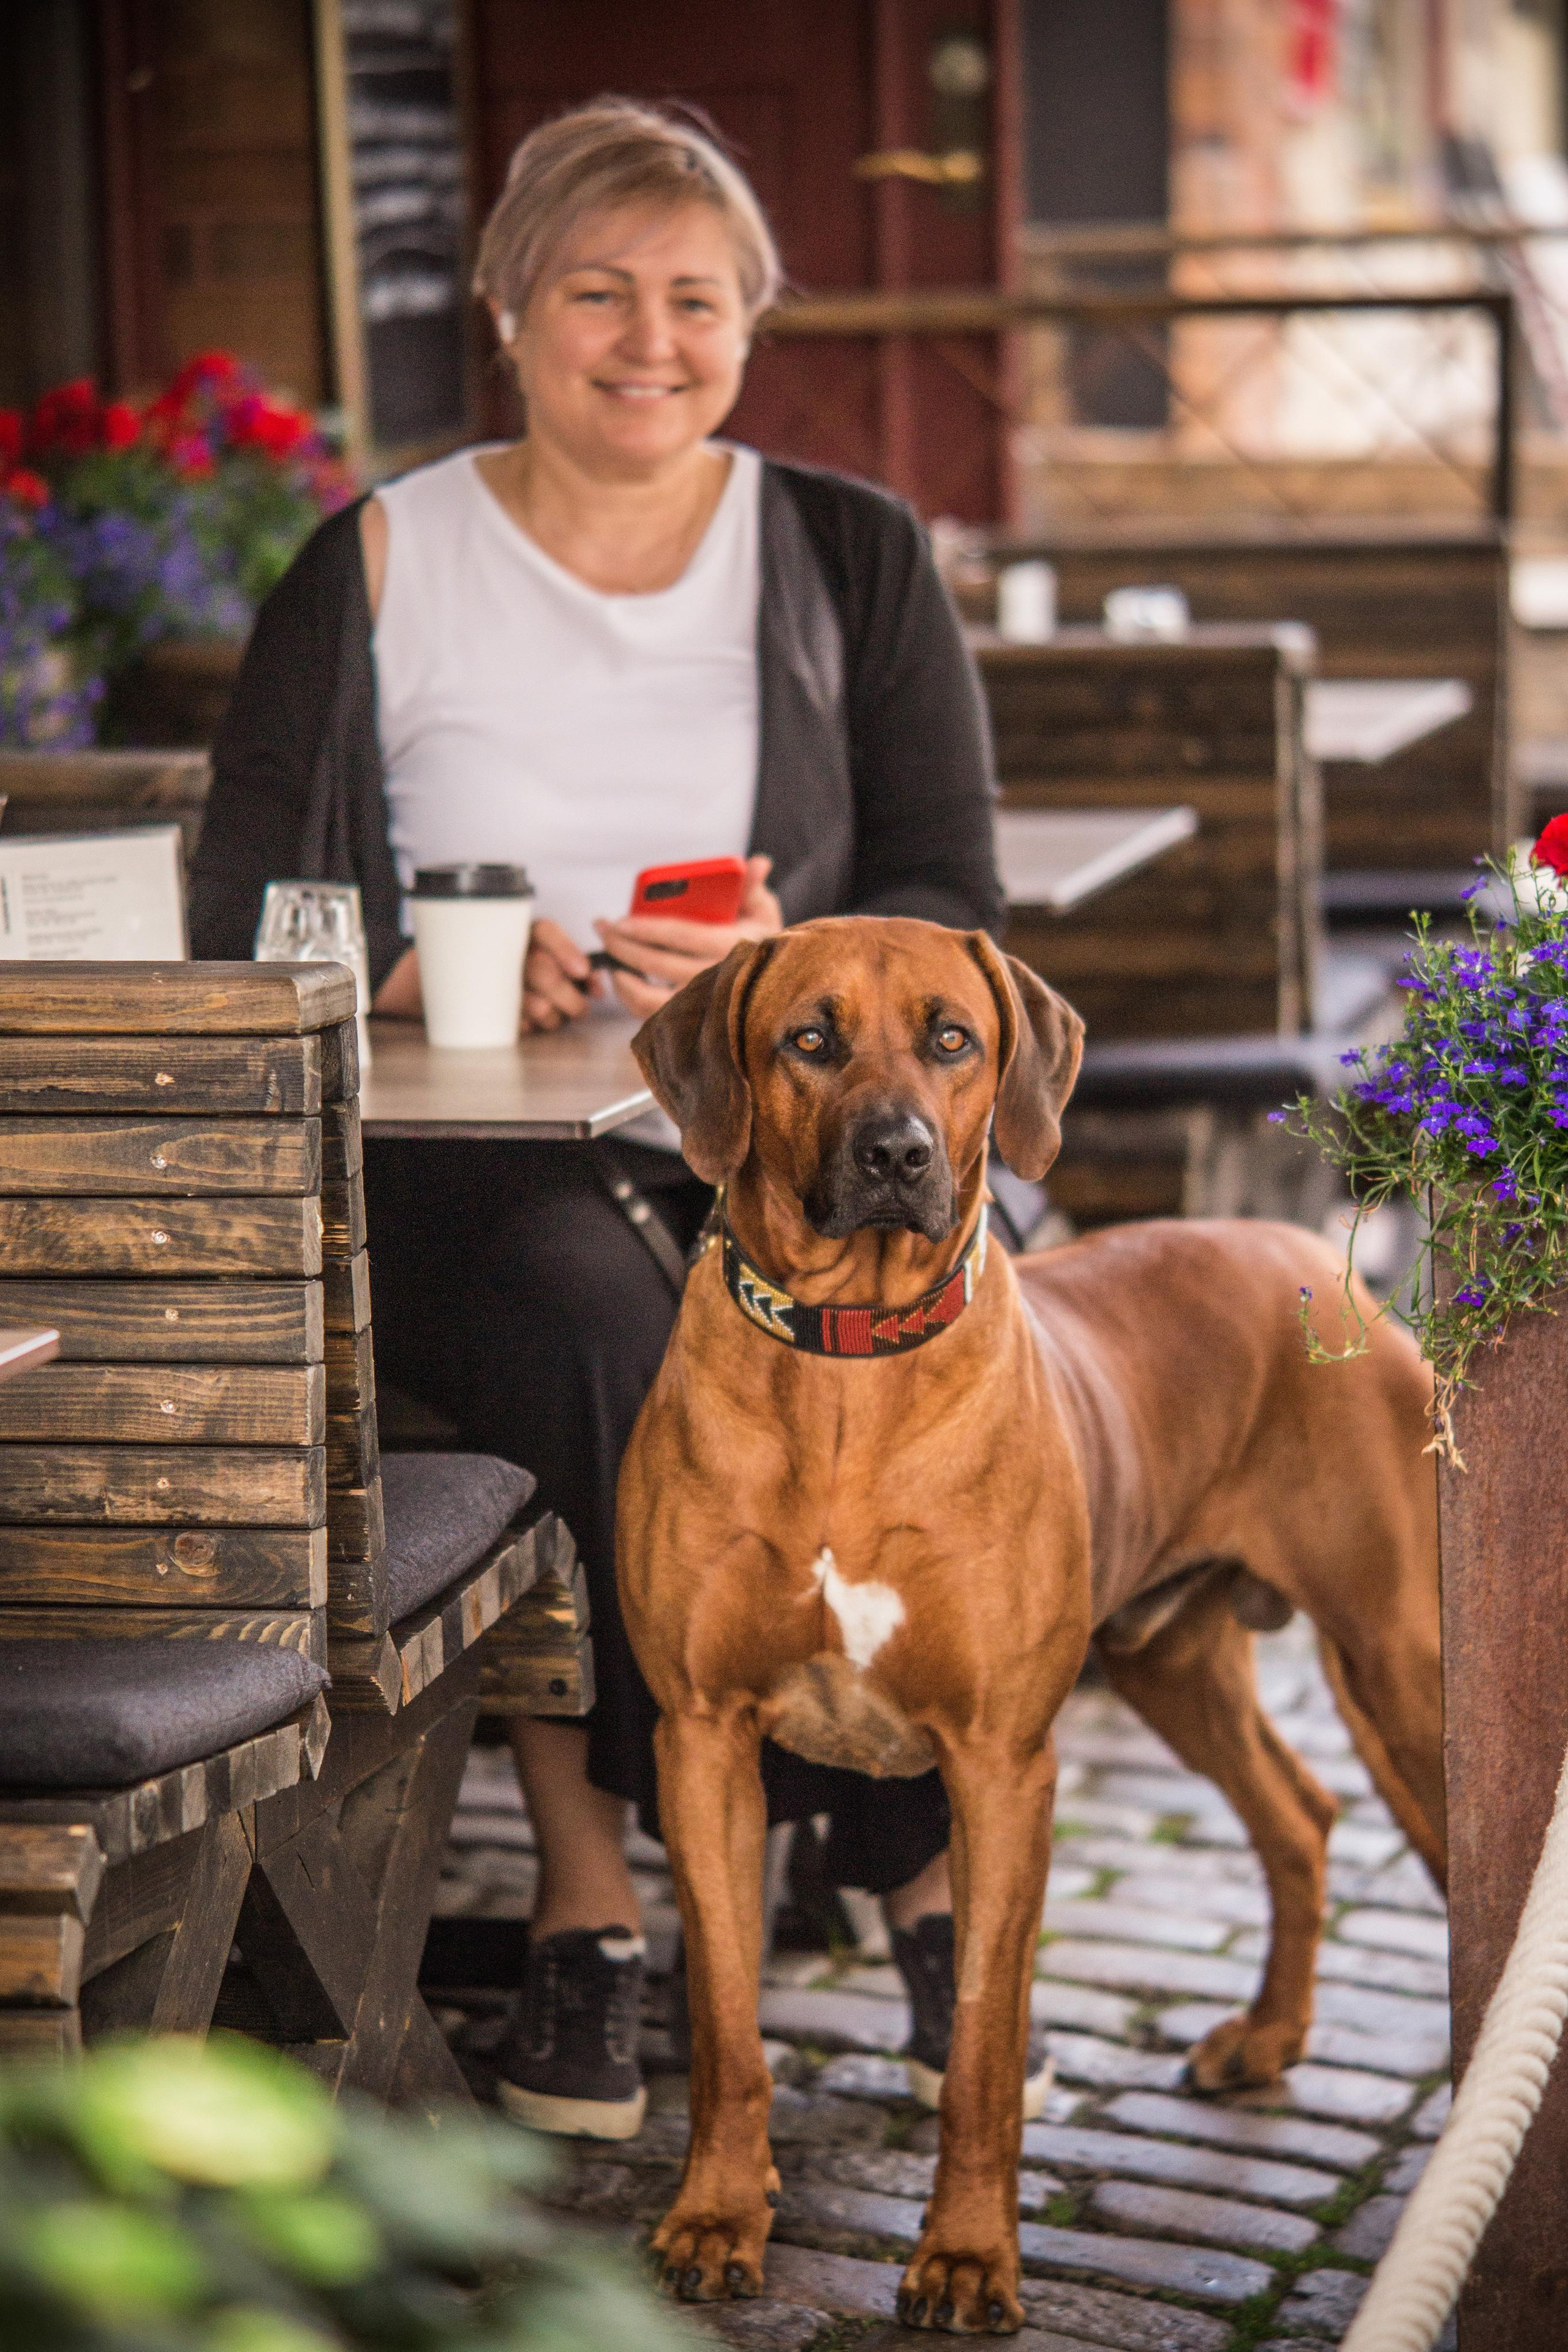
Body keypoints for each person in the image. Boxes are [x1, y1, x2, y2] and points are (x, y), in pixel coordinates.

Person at [190, 97, 1020, 2142]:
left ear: (751, 324)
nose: (649, 339)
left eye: (698, 299)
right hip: (476, 1162)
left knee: (924, 1335)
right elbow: (236, 903)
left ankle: (866, 1838)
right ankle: (615, 1898)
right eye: (597, 291)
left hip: (793, 1135)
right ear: (505, 311)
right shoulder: (386, 550)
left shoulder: (849, 550)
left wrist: (782, 950)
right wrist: (398, 965)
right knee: (603, 1338)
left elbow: (959, 903)